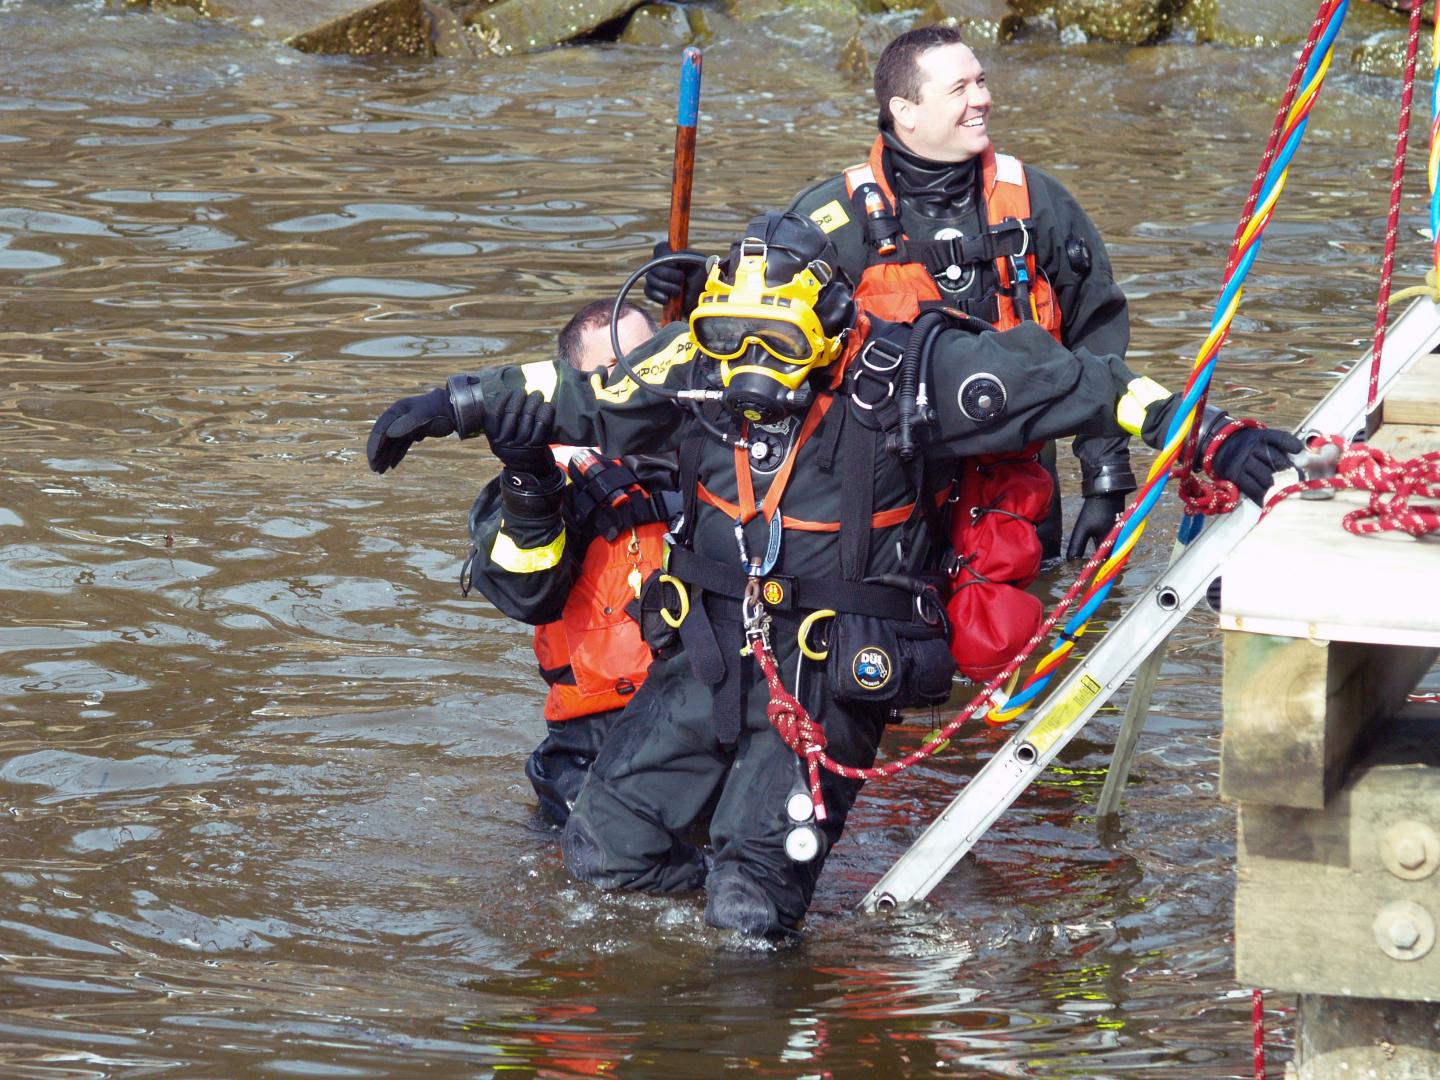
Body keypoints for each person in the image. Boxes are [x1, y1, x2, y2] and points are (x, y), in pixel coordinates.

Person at [367, 211, 1300, 940]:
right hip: (703, 657)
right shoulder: (702, 363)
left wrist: (1218, 435)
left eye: (777, 348)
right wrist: (447, 404)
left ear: (832, 321)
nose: (750, 372)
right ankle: (702, 983)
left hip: (826, 664)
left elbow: (1088, 384)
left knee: (747, 904)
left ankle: (765, 990)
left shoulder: (920, 374)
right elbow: (571, 390)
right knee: (604, 855)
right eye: (734, 343)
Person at [646, 24, 1135, 563]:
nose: (982, 99)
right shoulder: (830, 217)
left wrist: (1105, 480)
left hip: (1018, 492)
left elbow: (1097, 335)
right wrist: (695, 293)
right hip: (888, 491)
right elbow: (762, 347)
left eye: (981, 81)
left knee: (1022, 630)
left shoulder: (1037, 202)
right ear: (905, 110)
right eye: (959, 89)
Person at [375, 299, 677, 826]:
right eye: (611, 370)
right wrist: (527, 481)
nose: (631, 384)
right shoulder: (558, 473)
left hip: (715, 713)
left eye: (644, 361)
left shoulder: (722, 451)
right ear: (576, 385)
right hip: (599, 741)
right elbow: (526, 593)